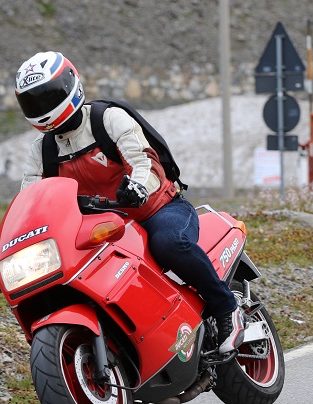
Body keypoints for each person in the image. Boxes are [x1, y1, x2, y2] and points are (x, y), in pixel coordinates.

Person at [14, 51, 244, 353]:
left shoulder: (107, 119)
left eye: (49, 96)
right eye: (34, 102)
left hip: (157, 209)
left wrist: (138, 188)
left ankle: (227, 308)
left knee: (169, 243)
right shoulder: (41, 151)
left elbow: (145, 161)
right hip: (102, 230)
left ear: (71, 84)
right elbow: (30, 201)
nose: (43, 107)